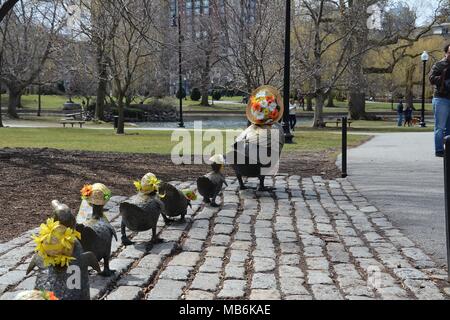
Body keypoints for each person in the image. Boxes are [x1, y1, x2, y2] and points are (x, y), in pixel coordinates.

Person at [430, 44, 450, 157]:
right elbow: (431, 79)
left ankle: (448, 150)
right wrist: (443, 76)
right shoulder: (439, 65)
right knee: (440, 127)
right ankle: (439, 150)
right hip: (441, 99)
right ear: (446, 53)